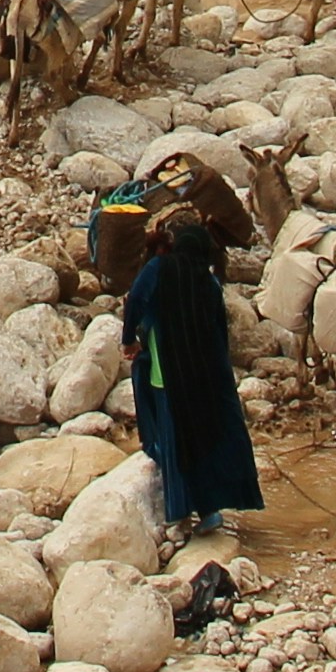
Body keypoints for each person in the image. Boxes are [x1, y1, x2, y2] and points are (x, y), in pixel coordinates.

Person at [127, 215, 263, 538]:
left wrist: (128, 340)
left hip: (168, 375)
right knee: (203, 442)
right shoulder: (210, 282)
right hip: (205, 381)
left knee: (173, 442)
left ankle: (179, 513)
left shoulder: (159, 269)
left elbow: (135, 300)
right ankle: (209, 511)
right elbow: (220, 335)